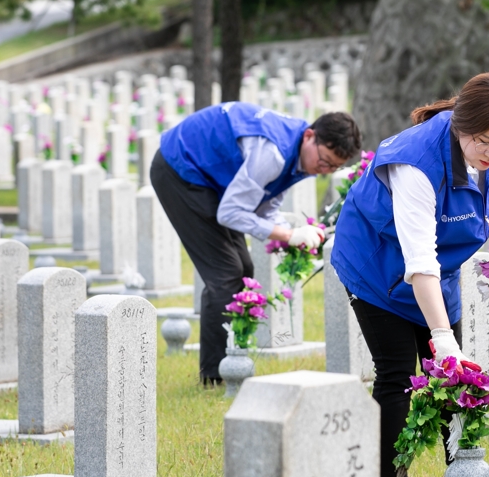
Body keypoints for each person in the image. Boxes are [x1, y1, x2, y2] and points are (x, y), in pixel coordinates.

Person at [331, 72, 489, 477]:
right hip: (378, 265)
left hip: (441, 268)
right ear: (462, 126)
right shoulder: (415, 163)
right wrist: (441, 336)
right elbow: (419, 262)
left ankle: (464, 476)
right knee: (398, 373)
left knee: (452, 375)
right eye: (486, 143)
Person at [151, 101, 361, 385]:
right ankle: (215, 377)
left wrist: (293, 231)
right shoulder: (272, 153)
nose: (322, 170)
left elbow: (263, 205)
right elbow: (230, 213)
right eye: (324, 161)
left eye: (332, 168)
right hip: (179, 169)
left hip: (209, 179)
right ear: (310, 136)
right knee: (225, 275)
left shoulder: (297, 151)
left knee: (243, 269)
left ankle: (228, 359)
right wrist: (287, 235)